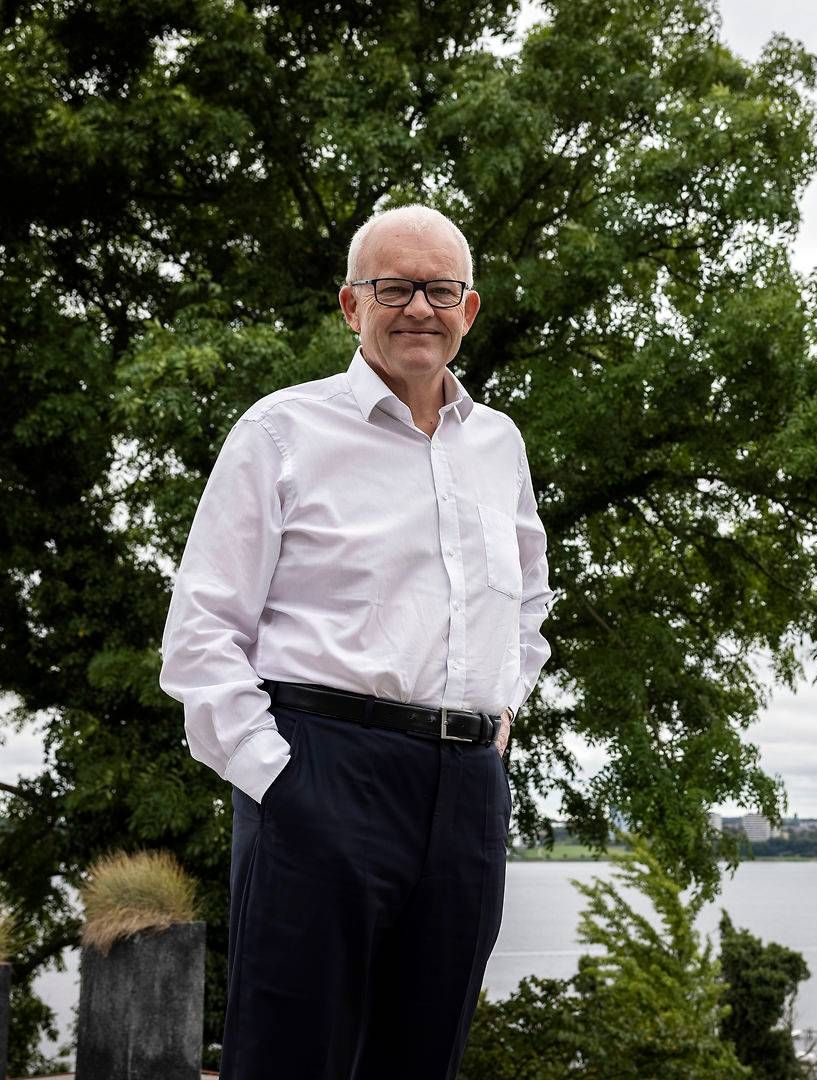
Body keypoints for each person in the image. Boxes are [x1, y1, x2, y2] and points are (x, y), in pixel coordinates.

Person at [160, 204, 553, 1080]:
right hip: (320, 767)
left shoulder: (500, 445)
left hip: (465, 791)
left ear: (470, 309)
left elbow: (527, 604)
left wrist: (499, 725)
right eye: (394, 287)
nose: (420, 306)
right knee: (292, 1054)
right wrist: (281, 779)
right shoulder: (280, 432)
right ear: (350, 305)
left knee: (424, 1053)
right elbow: (202, 633)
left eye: (440, 289)